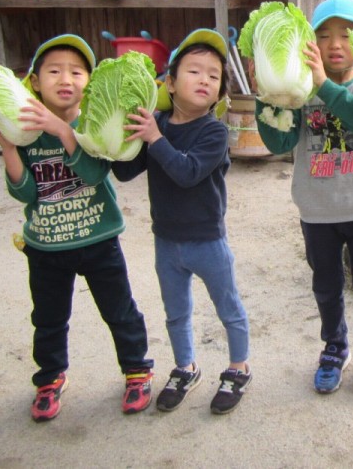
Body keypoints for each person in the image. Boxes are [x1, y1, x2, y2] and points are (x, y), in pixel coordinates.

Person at [0, 34, 154, 422]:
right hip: (46, 247)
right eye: (54, 71)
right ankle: (50, 378)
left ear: (89, 83)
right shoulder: (23, 128)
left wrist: (61, 130)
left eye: (76, 72)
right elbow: (24, 192)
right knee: (48, 317)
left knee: (120, 311)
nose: (66, 79)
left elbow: (92, 173)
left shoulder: (95, 124)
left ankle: (137, 370)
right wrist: (7, 147)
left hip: (99, 239)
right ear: (35, 81)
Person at [255, 0, 353, 403]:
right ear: (309, 42)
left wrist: (323, 84)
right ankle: (335, 346)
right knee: (326, 286)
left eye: (346, 35)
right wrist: (267, 98)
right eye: (323, 35)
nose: (335, 44)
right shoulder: (298, 89)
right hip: (317, 210)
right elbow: (279, 141)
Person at [113, 28, 251, 415]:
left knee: (228, 307)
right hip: (166, 241)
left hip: (207, 240)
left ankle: (238, 368)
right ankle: (185, 367)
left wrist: (155, 138)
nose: (205, 79)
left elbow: (187, 172)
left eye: (213, 74)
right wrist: (111, 140)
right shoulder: (156, 122)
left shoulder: (214, 131)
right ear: (169, 83)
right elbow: (126, 173)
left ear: (221, 90)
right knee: (176, 311)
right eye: (194, 71)